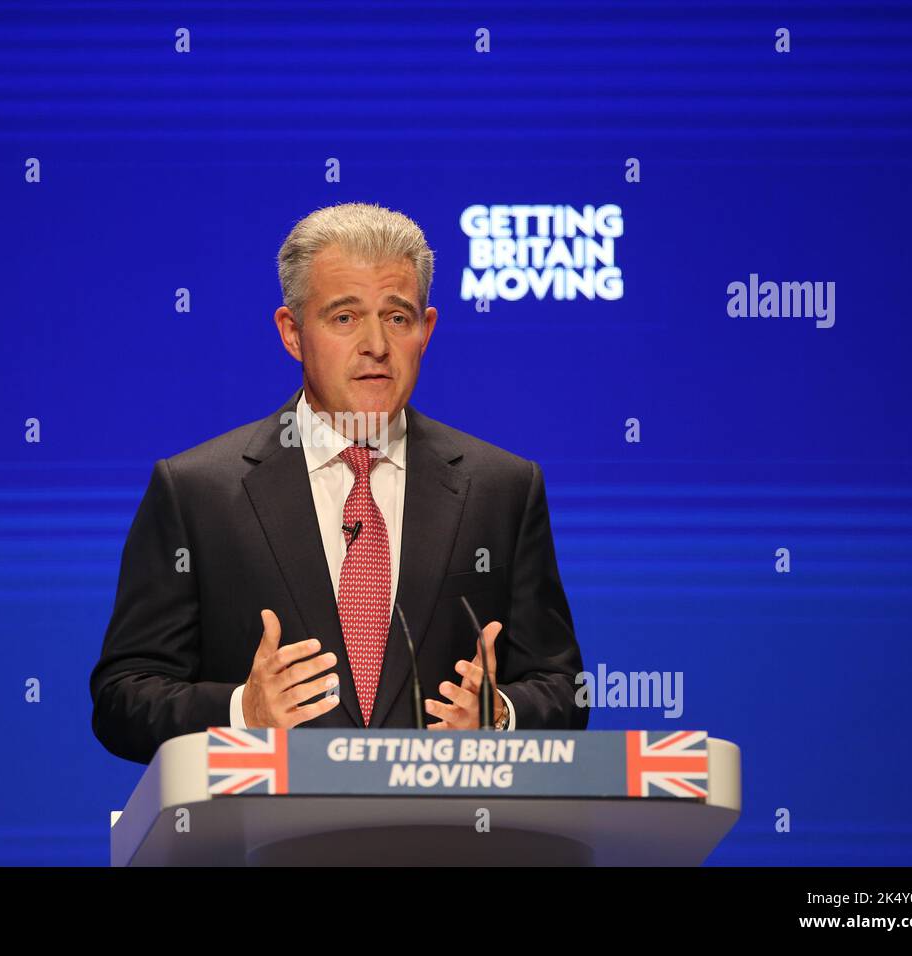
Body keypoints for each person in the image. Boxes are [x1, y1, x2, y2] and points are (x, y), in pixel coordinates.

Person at [90, 202, 587, 764]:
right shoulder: (197, 491)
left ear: (426, 331)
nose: (376, 344)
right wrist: (242, 714)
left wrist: (499, 715)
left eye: (397, 317)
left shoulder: (502, 487)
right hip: (265, 840)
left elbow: (564, 687)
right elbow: (121, 698)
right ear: (293, 333)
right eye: (344, 317)